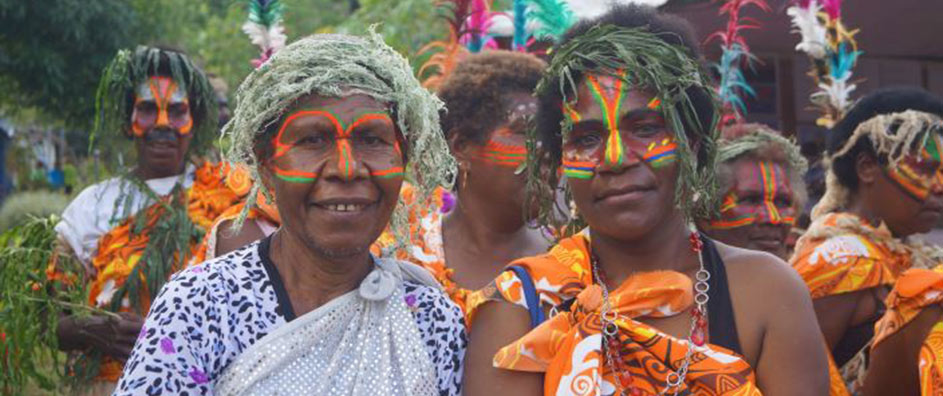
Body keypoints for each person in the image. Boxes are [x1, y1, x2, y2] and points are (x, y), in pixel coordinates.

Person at [464, 5, 828, 396]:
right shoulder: (520, 304)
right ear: (561, 165)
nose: (616, 157)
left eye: (646, 127)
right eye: (587, 138)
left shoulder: (767, 291)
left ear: (690, 144)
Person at [114, 32, 466, 395]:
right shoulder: (200, 305)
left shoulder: (428, 318)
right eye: (312, 139)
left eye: (372, 139)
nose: (346, 169)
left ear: (403, 158)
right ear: (266, 165)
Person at [48, 45, 240, 395]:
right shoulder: (90, 207)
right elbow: (51, 321)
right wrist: (94, 329)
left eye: (177, 111)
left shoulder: (227, 196)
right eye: (148, 110)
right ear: (128, 121)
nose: (163, 125)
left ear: (194, 120)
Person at [790, 87, 943, 394]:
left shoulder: (909, 254)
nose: (939, 186)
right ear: (867, 168)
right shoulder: (842, 258)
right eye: (925, 168)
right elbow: (791, 378)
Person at [385, 50, 552, 320]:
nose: (546, 150)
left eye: (551, 135)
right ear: (461, 148)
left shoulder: (573, 265)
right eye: (525, 133)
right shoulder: (400, 260)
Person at [699, 123, 808, 260]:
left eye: (782, 202)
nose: (773, 218)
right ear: (705, 214)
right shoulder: (677, 279)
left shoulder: (809, 276)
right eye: (750, 200)